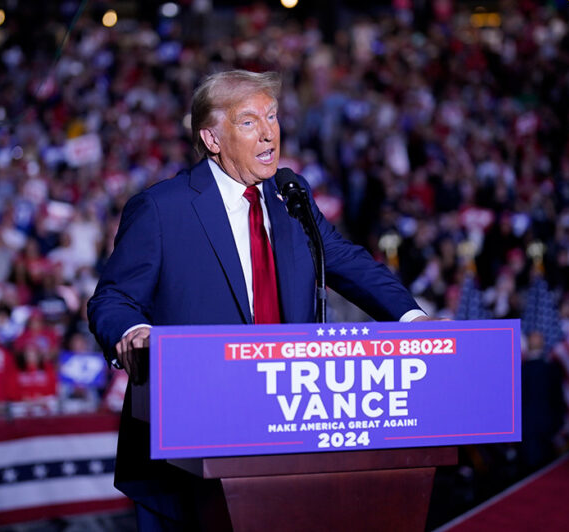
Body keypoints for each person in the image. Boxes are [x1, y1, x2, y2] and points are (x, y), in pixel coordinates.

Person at [87, 70, 429, 530]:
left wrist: (411, 319)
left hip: (283, 439)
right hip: (189, 453)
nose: (270, 133)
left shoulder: (291, 197)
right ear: (211, 137)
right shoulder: (161, 209)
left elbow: (346, 260)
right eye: (249, 122)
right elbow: (113, 299)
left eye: (272, 117)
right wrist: (134, 333)